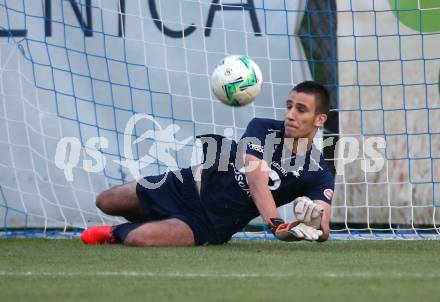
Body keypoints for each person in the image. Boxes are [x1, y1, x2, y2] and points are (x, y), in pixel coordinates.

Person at [81, 81, 334, 246]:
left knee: (140, 239)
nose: (290, 114)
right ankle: (156, 216)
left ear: (319, 118)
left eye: (301, 109)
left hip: (209, 222)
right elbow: (256, 180)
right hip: (185, 185)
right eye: (289, 106)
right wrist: (277, 225)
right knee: (106, 200)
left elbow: (323, 227)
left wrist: (312, 224)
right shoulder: (262, 127)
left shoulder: (319, 173)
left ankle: (117, 233)